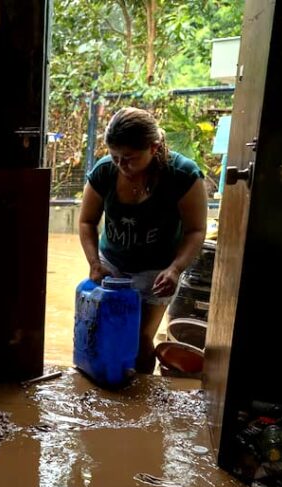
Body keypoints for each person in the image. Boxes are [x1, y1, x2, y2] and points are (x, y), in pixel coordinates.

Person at [78, 106, 208, 373]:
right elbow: (86, 221)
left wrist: (175, 269)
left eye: (130, 158)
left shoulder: (182, 175)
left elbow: (195, 230)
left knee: (141, 340)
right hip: (111, 264)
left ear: (154, 147)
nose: (121, 165)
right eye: (115, 157)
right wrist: (93, 263)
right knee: (106, 330)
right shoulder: (105, 172)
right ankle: (107, 382)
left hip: (158, 270)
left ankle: (140, 398)